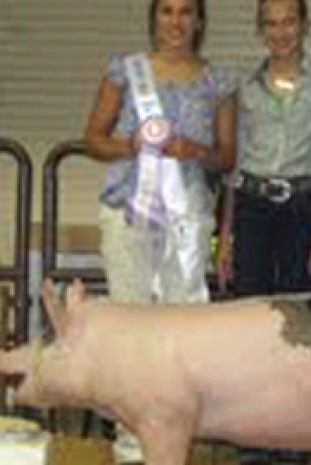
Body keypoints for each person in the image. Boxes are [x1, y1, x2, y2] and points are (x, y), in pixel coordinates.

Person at [84, 0, 236, 462]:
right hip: (128, 212)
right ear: (154, 19)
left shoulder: (219, 82)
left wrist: (194, 149)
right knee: (129, 325)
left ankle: (177, 440)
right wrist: (129, 144)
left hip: (188, 217)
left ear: (200, 21)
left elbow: (228, 157)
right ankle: (131, 445)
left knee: (182, 331)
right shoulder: (124, 71)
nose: (176, 21)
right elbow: (93, 138)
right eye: (167, 11)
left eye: (186, 12)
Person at [217, 0, 311, 300]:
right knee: (249, 308)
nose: (280, 32)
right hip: (252, 209)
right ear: (260, 30)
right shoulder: (245, 86)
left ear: (305, 26)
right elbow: (233, 169)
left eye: (289, 22)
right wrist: (226, 237)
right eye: (271, 23)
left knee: (300, 314)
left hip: (304, 209)